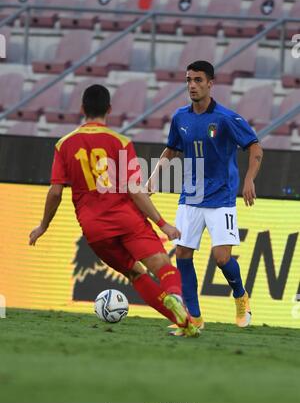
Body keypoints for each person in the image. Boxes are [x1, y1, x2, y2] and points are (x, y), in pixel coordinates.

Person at [29, 84, 200, 338]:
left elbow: (55, 192)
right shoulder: (120, 142)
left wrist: (43, 225)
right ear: (109, 109)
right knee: (162, 266)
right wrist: (162, 223)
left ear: (82, 109)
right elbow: (134, 190)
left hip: (94, 228)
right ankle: (176, 299)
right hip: (127, 219)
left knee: (134, 273)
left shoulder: (64, 145)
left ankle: (182, 321)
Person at [147, 61, 263, 334]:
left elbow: (255, 148)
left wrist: (248, 179)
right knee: (183, 254)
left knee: (221, 258)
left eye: (198, 80)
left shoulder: (226, 118)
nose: (192, 86)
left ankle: (240, 296)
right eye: (189, 80)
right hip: (190, 196)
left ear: (211, 83)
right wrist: (153, 179)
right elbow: (171, 151)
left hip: (221, 198)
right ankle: (194, 318)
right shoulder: (180, 117)